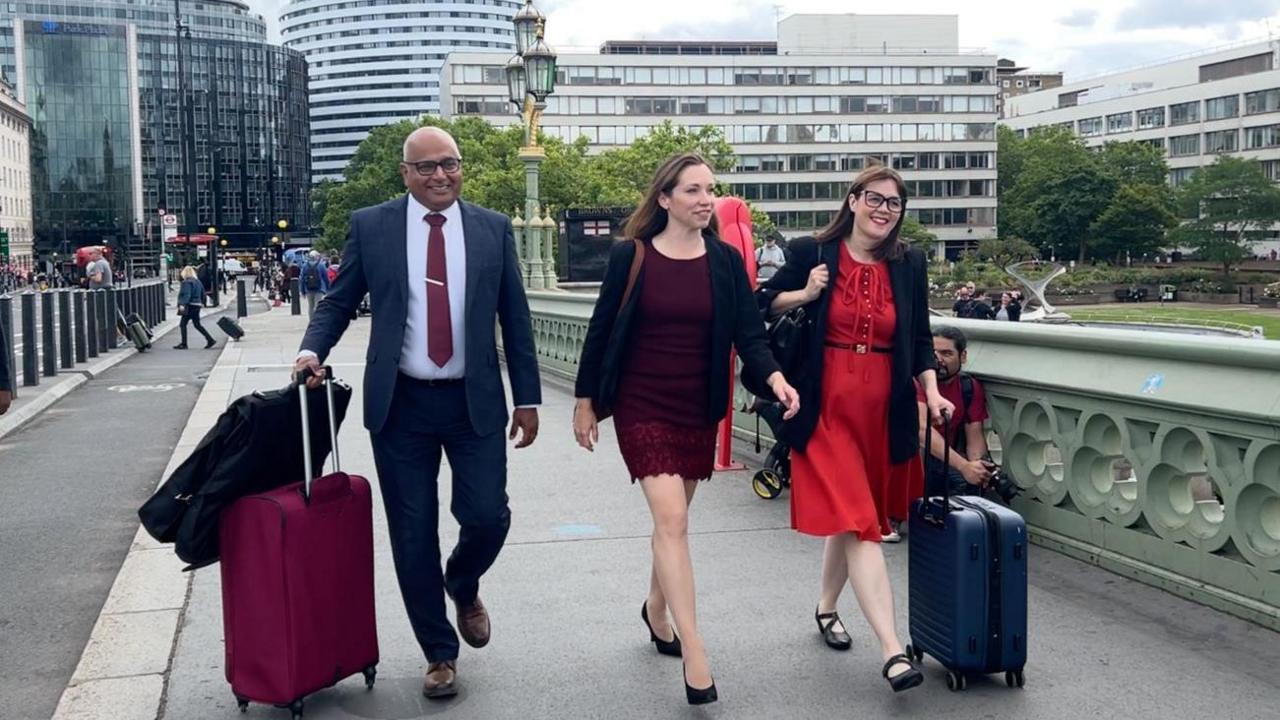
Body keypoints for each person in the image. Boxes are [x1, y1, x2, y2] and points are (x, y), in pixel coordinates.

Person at [294, 126, 540, 700]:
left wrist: (527, 396)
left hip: (472, 399)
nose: (439, 176)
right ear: (405, 174)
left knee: (486, 515)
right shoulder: (373, 226)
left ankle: (463, 580)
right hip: (400, 403)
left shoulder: (491, 229)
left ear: (461, 168)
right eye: (426, 167)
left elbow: (518, 318)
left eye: (449, 164)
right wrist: (311, 350)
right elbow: (339, 299)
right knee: (412, 532)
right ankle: (438, 652)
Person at [573, 153, 800, 706]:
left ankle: (655, 607)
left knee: (672, 522)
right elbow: (602, 331)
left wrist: (775, 378)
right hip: (640, 402)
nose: (704, 199)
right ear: (665, 198)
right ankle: (696, 652)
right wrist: (584, 402)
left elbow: (749, 334)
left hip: (697, 403)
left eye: (710, 190)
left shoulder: (723, 261)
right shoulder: (632, 256)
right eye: (693, 190)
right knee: (671, 519)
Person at [757, 162, 953, 693]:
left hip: (881, 402)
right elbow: (759, 305)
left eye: (894, 203)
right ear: (853, 200)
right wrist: (806, 293)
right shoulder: (810, 253)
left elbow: (917, 335)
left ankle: (825, 608)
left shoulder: (908, 263)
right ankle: (892, 650)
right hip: (823, 403)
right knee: (863, 522)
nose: (884, 210)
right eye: (875, 198)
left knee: (853, 515)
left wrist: (932, 391)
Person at [916, 326, 992, 496]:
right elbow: (922, 431)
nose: (937, 359)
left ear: (963, 356)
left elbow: (975, 436)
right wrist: (964, 467)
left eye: (946, 354)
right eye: (932, 353)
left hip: (947, 460)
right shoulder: (916, 382)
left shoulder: (969, 387)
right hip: (915, 461)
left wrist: (978, 467)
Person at [174, 266, 216, 350]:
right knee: (197, 324)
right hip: (197, 305)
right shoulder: (198, 282)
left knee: (183, 324)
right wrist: (203, 303)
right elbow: (203, 293)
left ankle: (184, 343)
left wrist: (182, 304)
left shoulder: (186, 282)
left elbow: (187, 294)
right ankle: (210, 339)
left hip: (190, 305)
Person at [301, 250, 330, 314]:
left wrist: (302, 291)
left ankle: (311, 320)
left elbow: (302, 279)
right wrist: (328, 289)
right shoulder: (321, 265)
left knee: (311, 306)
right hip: (320, 288)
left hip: (308, 289)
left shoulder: (305, 266)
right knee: (318, 305)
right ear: (317, 257)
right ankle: (317, 320)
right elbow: (326, 278)